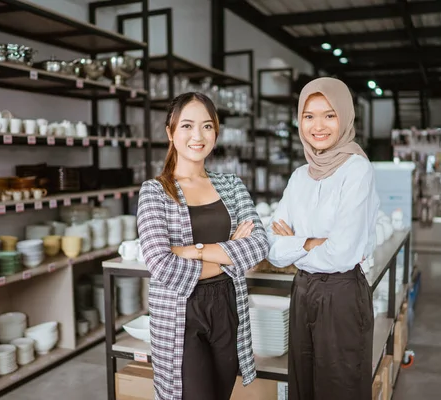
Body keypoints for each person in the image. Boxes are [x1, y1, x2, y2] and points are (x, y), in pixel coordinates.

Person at [137, 92, 269, 400]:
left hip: (227, 305)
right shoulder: (154, 192)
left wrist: (191, 250)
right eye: (187, 126)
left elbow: (259, 244)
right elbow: (160, 264)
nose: (197, 136)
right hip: (180, 312)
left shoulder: (232, 185)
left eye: (207, 126)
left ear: (216, 132)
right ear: (170, 132)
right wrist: (228, 253)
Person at [266, 77, 379, 400]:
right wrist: (312, 242)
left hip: (342, 294)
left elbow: (342, 254)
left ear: (345, 117)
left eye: (329, 115)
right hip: (302, 290)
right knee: (302, 387)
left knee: (340, 388)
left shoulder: (356, 170)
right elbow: (273, 249)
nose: (318, 126)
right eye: (309, 116)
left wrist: (297, 243)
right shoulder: (299, 176)